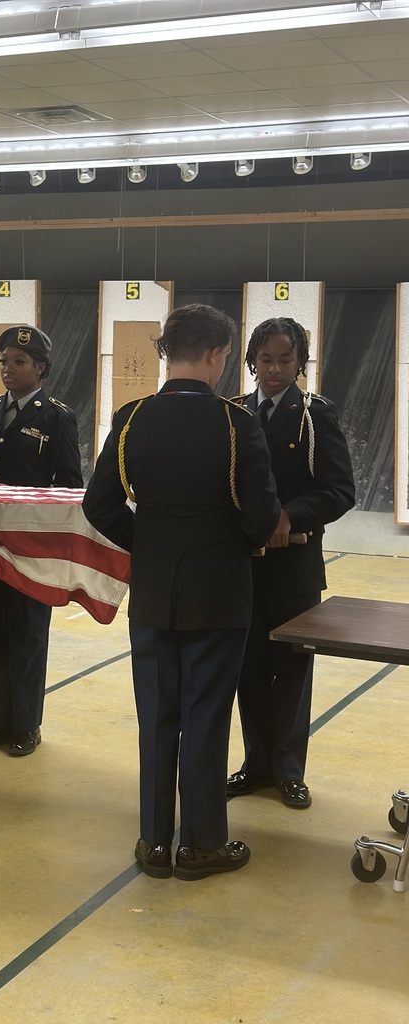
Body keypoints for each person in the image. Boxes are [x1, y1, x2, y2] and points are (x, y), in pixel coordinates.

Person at [83, 304, 281, 881]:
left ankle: (154, 843)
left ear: (167, 352)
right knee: (205, 718)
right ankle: (201, 845)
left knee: (156, 719)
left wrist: (148, 545)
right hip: (218, 594)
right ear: (217, 353)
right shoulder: (236, 423)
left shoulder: (132, 418)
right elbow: (261, 517)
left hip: (153, 593)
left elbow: (98, 504)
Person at [226, 317, 355, 809]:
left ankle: (288, 770)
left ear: (300, 361)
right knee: (248, 668)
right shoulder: (233, 412)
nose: (274, 370)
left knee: (292, 669)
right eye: (265, 359)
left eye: (285, 359)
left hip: (295, 566)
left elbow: (340, 490)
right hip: (243, 565)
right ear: (251, 360)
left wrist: (288, 515)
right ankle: (256, 763)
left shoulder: (315, 415)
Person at [0, 325, 82, 757]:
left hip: (33, 550)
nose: (7, 369)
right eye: (4, 361)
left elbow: (69, 485)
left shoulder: (57, 417)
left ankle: (27, 725)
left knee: (28, 635)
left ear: (40, 368)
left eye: (19, 362)